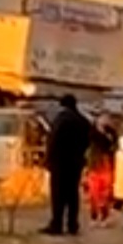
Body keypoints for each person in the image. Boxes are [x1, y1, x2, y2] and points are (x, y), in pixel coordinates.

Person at [42, 95, 91, 236]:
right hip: (76, 163)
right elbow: (88, 141)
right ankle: (72, 224)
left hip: (60, 162)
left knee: (58, 194)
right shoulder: (83, 121)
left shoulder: (61, 120)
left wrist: (48, 159)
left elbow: (53, 140)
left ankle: (57, 224)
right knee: (73, 194)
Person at [86, 112, 118, 227]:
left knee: (105, 192)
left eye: (107, 118)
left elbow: (111, 146)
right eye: (103, 118)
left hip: (106, 164)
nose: (105, 120)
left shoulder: (112, 133)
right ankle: (94, 216)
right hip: (94, 163)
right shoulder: (92, 133)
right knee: (94, 192)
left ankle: (105, 216)